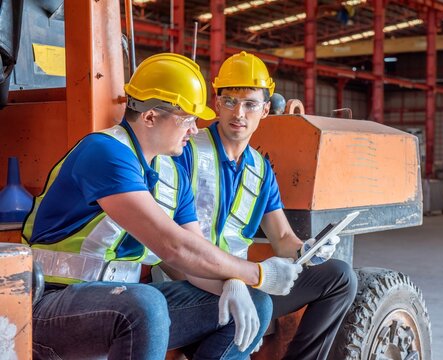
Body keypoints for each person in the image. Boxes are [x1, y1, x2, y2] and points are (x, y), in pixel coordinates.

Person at [22, 53, 302, 360]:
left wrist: (235, 284)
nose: (196, 130)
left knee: (255, 303)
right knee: (146, 304)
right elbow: (174, 247)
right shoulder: (104, 152)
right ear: (151, 117)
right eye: (187, 119)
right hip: (51, 303)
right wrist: (256, 272)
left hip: (120, 302)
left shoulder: (174, 174)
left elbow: (193, 254)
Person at [171, 51, 358, 360]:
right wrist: (232, 281)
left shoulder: (260, 169)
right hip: (194, 282)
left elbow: (282, 238)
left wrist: (306, 249)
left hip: (247, 278)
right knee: (258, 302)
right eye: (230, 101)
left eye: (250, 104)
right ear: (216, 103)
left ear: (266, 110)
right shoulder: (185, 152)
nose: (239, 113)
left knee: (339, 277)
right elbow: (173, 249)